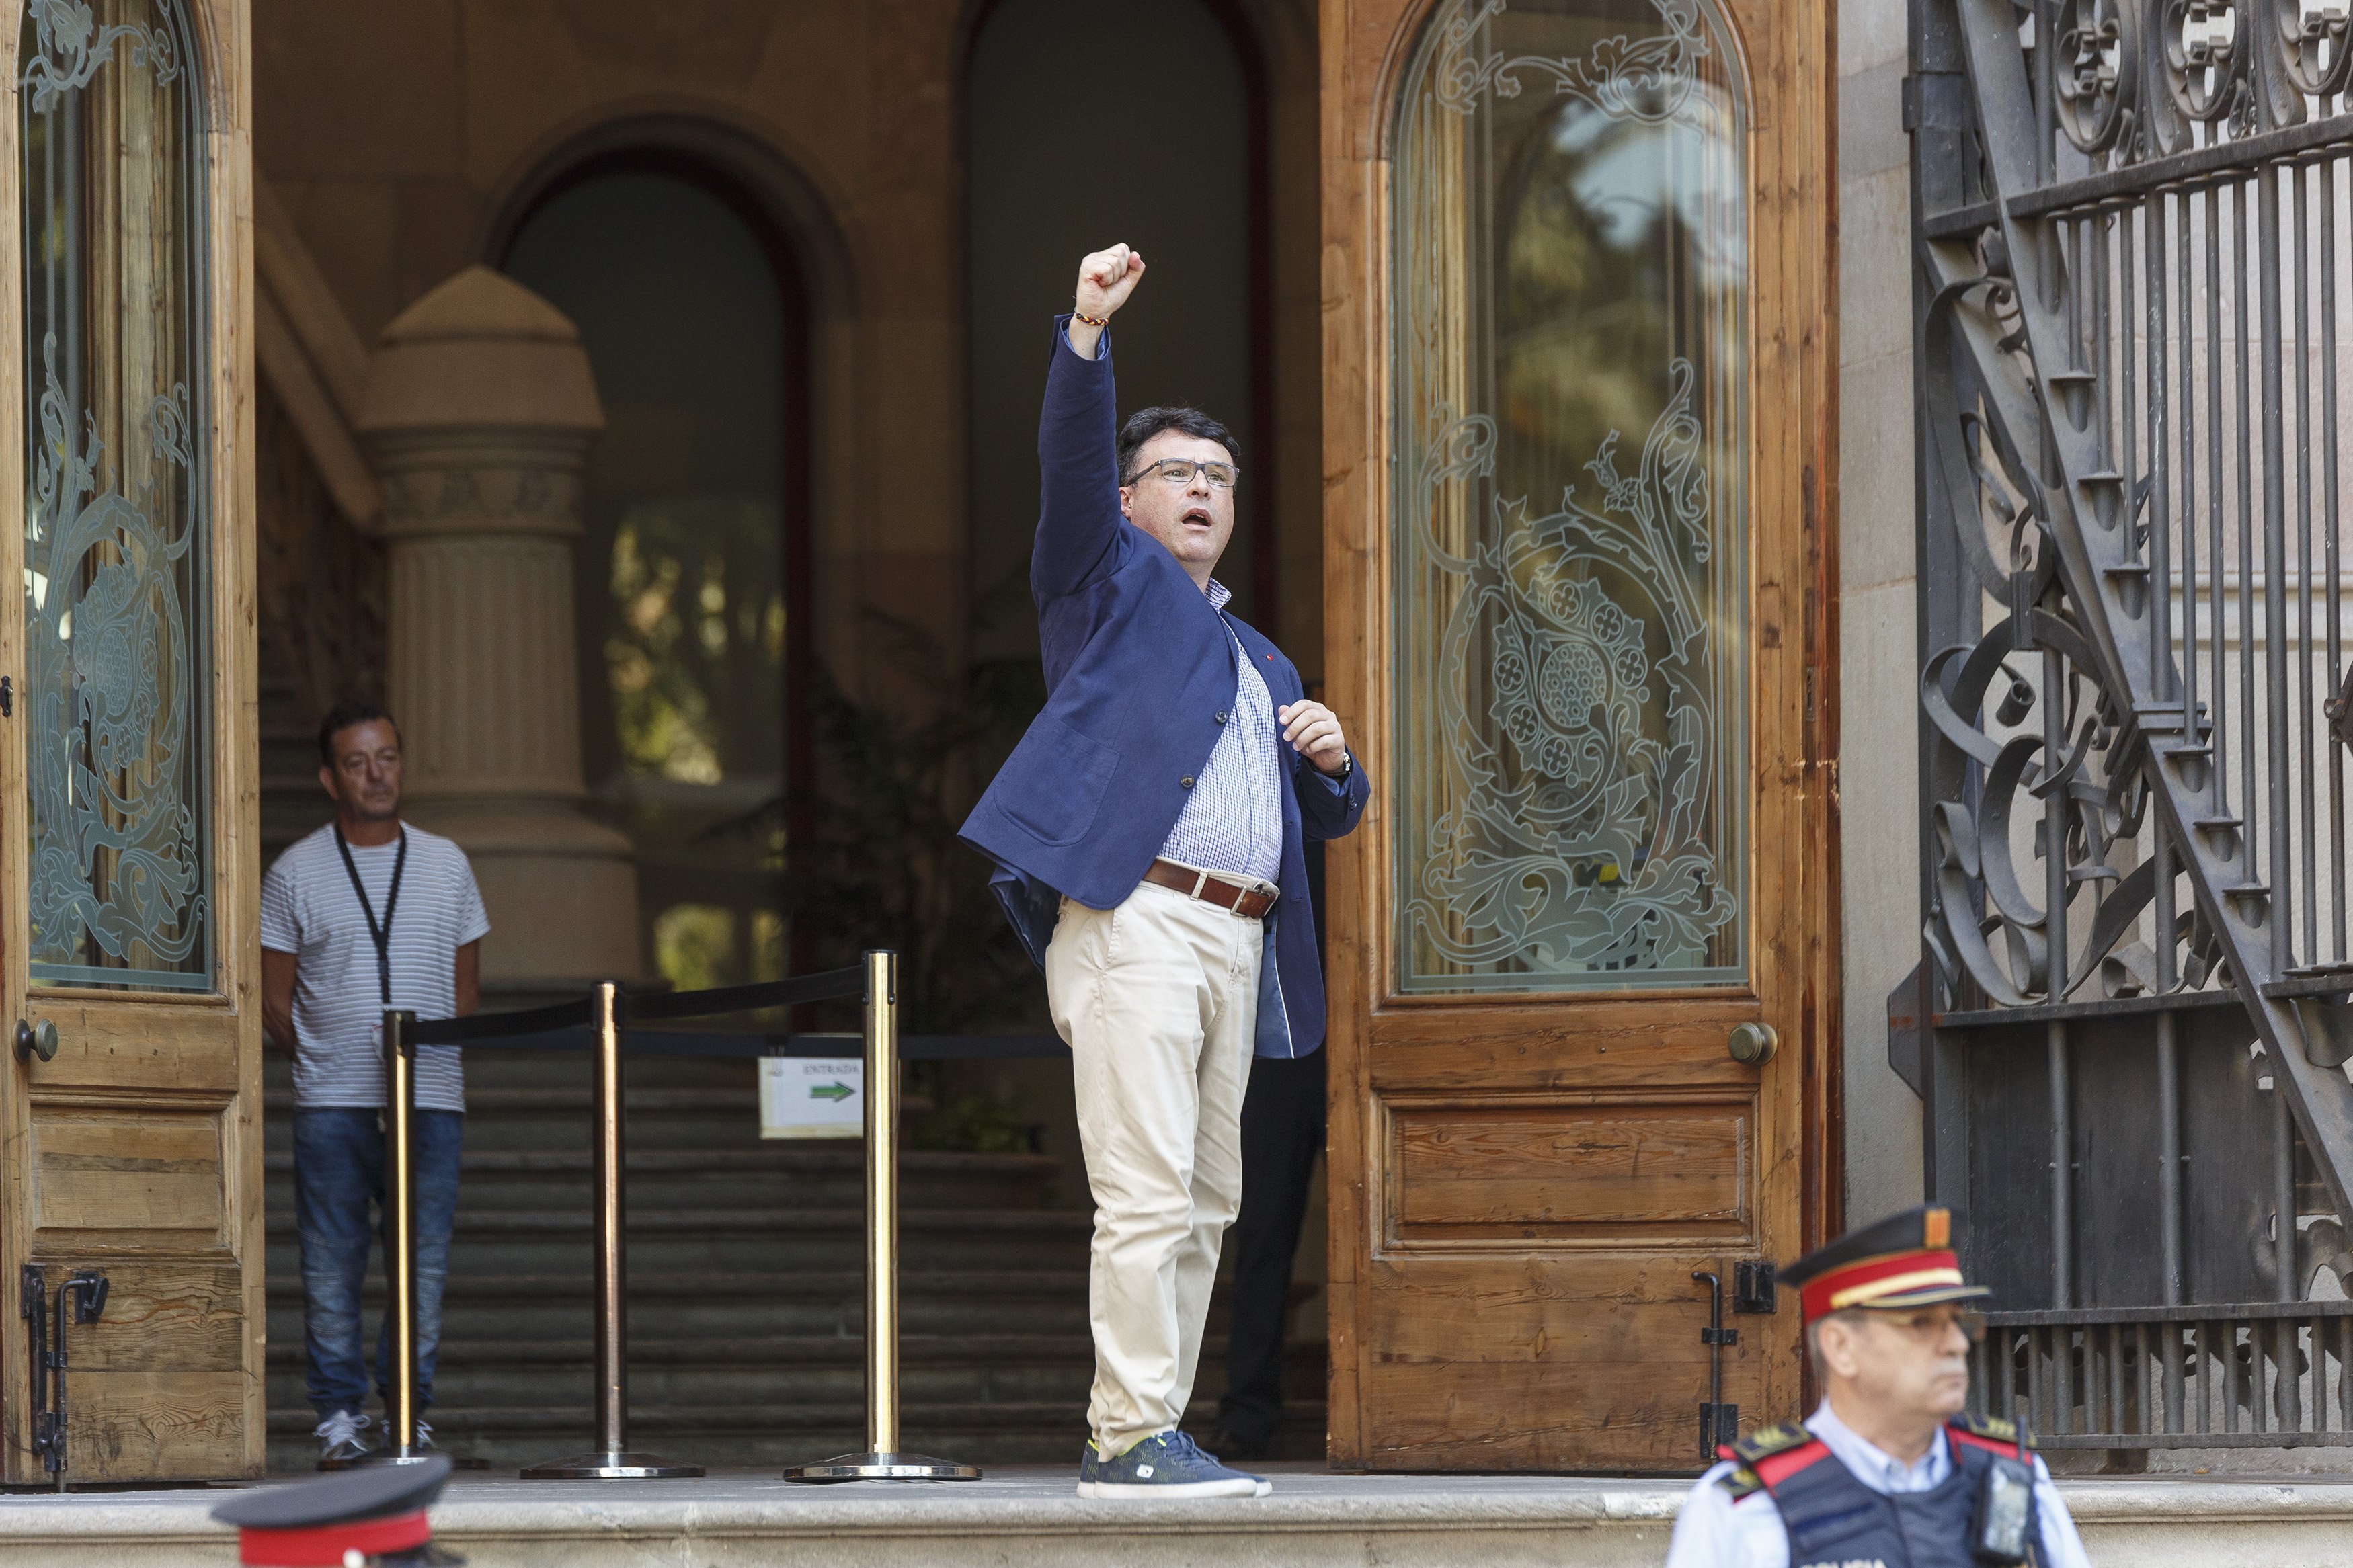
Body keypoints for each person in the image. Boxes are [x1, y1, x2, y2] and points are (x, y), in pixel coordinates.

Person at [960, 243, 1370, 1500]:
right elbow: (1069, 469)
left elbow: (1329, 820)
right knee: (1144, 1190)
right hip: (1137, 918)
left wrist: (1335, 760)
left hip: (1237, 938)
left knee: (1205, 1199)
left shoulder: (1263, 658)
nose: (1200, 488)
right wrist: (1085, 332)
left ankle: (1156, 1427)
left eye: (1218, 476)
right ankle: (1126, 1432)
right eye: (1175, 474)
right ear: (1132, 504)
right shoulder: (1103, 587)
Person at [261, 697, 489, 1465]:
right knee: (330, 1259)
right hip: (333, 1099)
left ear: (402, 761)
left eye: (386, 756)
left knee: (421, 1259)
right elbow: (273, 996)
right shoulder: (295, 869)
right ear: (331, 778)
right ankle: (336, 1416)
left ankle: (408, 1414)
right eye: (357, 762)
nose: (376, 773)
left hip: (430, 1095)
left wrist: (420, 1053)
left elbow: (464, 991)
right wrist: (321, 1054)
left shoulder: (447, 862)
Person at [1665, 1206, 2093, 1568]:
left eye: (1958, 1321)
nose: (1957, 1344)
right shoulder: (1748, 1507)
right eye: (1922, 1323)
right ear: (1842, 1347)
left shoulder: (2017, 1478)